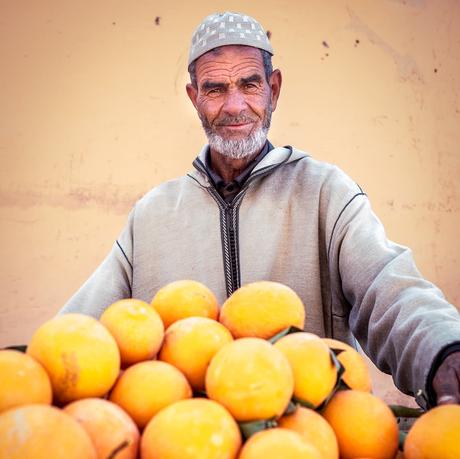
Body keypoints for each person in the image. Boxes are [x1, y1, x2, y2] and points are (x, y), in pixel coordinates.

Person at [60, 11, 460, 409]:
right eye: (215, 89)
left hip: (308, 440)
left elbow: (389, 289)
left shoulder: (325, 192)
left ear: (274, 88)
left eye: (249, 84)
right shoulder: (152, 217)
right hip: (189, 441)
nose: (235, 106)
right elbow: (81, 329)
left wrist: (444, 351)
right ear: (194, 97)